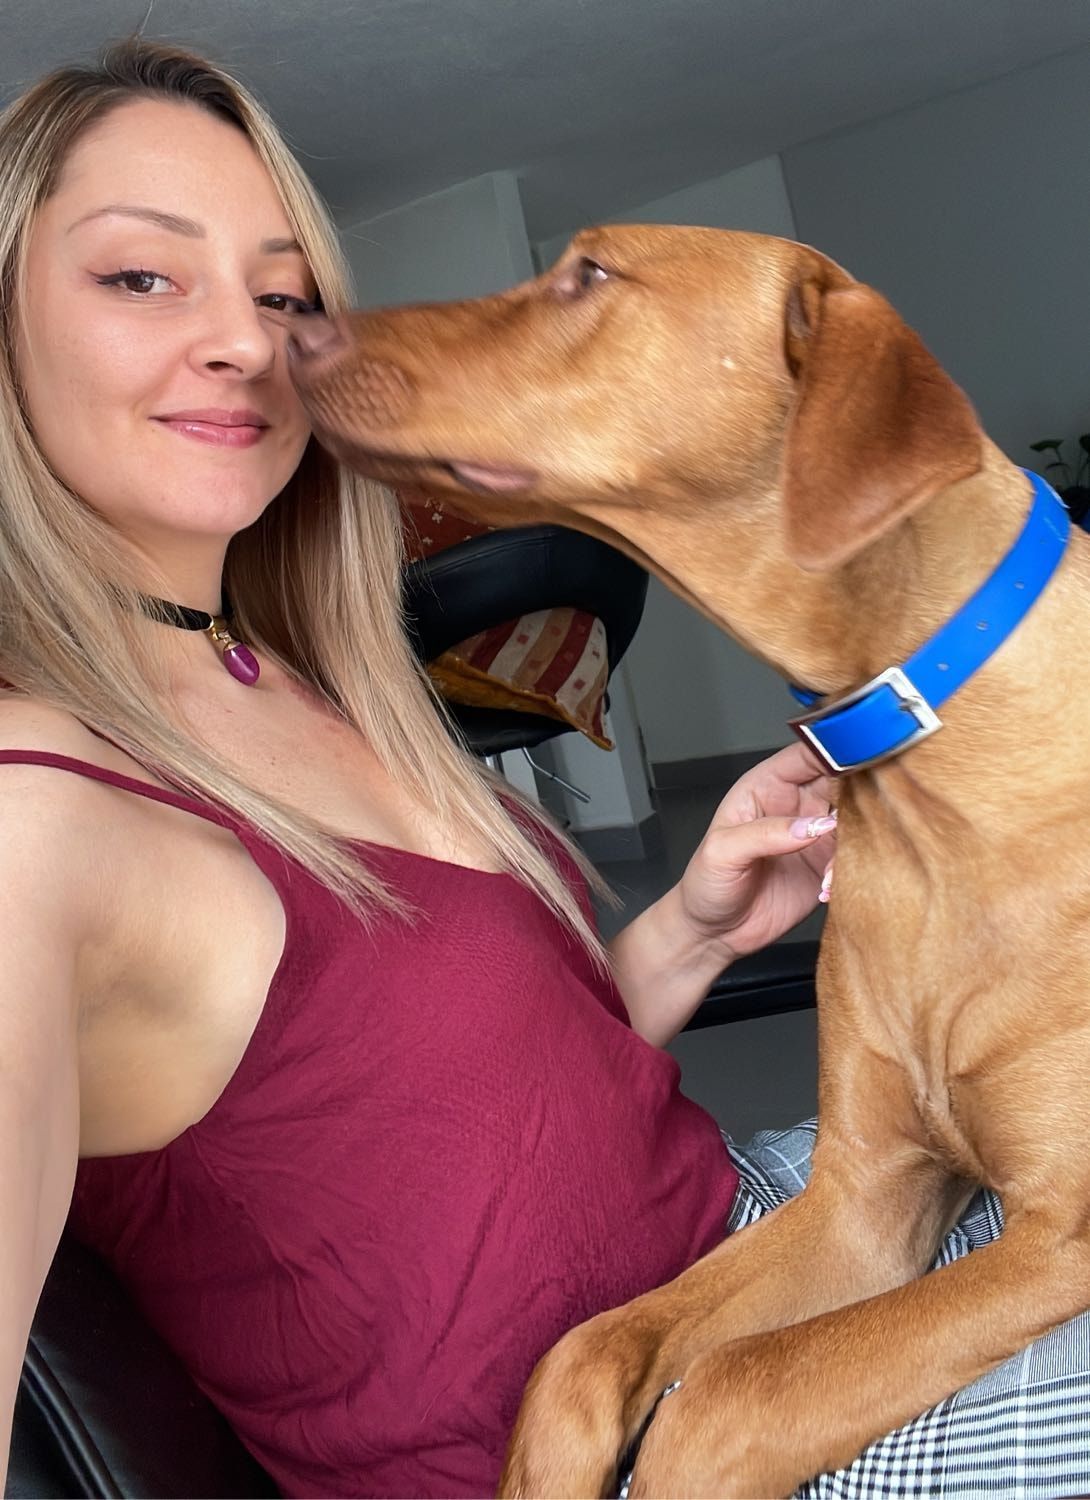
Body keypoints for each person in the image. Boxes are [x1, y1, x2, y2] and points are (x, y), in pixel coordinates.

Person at [0, 38, 1085, 1500]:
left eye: (284, 295)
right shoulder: (31, 817)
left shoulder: (309, 683)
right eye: (141, 276)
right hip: (635, 1447)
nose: (251, 344)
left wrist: (688, 928)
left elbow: (451, 1120)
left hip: (749, 1243)